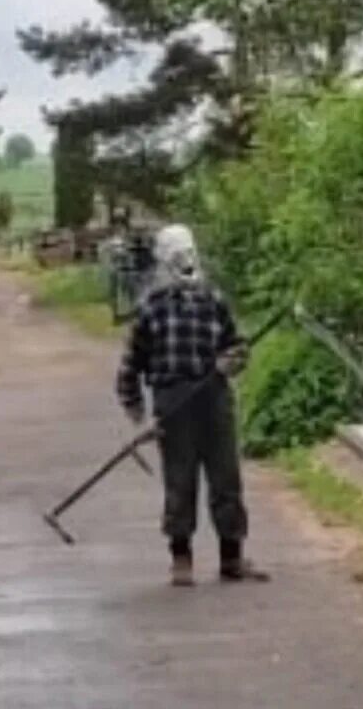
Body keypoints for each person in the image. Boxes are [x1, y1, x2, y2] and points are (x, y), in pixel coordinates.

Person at [116, 224, 269, 587]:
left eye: (189, 255)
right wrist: (135, 407)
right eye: (177, 256)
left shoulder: (213, 300)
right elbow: (131, 362)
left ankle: (232, 556)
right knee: (180, 481)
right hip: (173, 402)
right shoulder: (151, 308)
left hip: (213, 397)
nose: (186, 263)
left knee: (226, 478)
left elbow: (237, 345)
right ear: (164, 260)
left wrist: (229, 361)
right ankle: (180, 557)